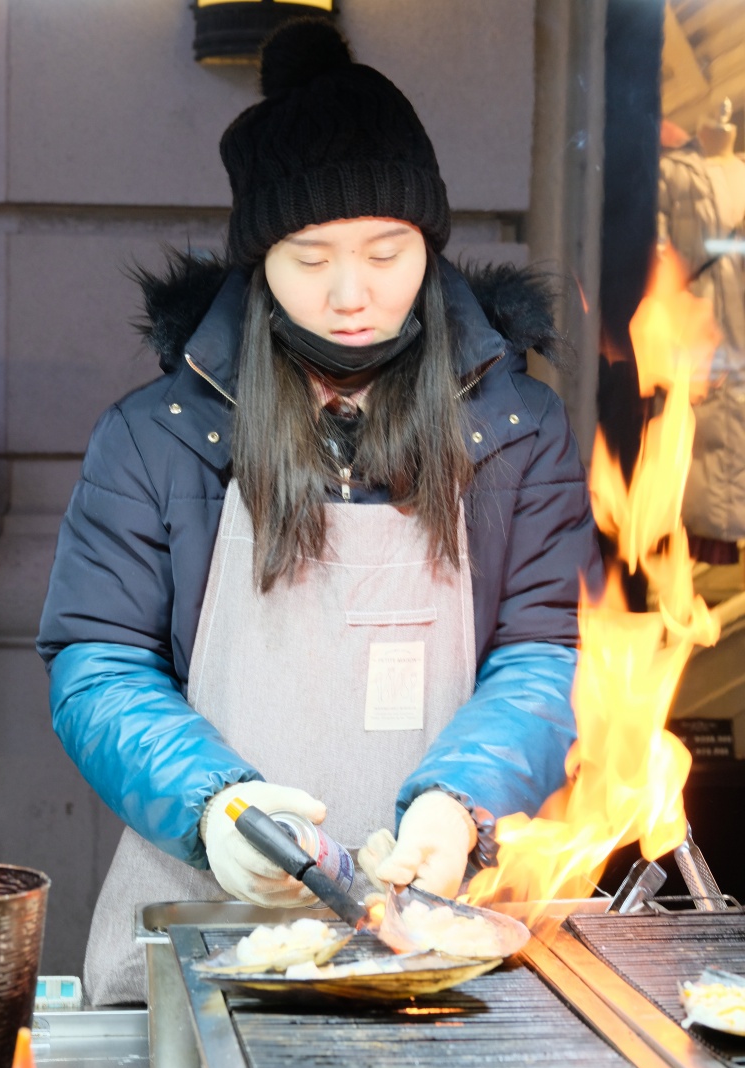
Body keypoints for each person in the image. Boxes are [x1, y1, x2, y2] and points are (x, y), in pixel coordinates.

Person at [37, 18, 602, 1005]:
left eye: (386, 252)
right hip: (205, 928)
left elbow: (547, 650)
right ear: (258, 263)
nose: (351, 294)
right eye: (310, 257)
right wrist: (213, 808)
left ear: (427, 242)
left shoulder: (517, 429)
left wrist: (459, 802)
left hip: (438, 938)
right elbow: (98, 661)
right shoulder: (159, 435)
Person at [658, 98, 745, 564]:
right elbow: (655, 258)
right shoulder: (674, 175)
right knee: (701, 442)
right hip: (698, 330)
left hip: (736, 330)